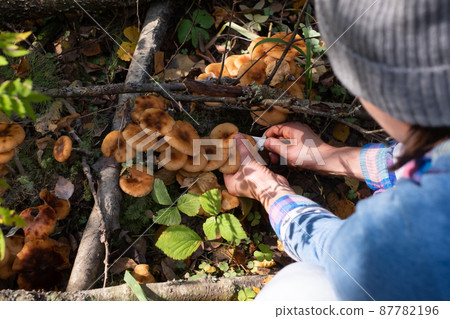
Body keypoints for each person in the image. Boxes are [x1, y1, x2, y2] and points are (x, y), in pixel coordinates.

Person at [224, 0, 450, 301]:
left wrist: (270, 191)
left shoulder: (417, 222)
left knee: (292, 291)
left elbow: (346, 257)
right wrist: (328, 156)